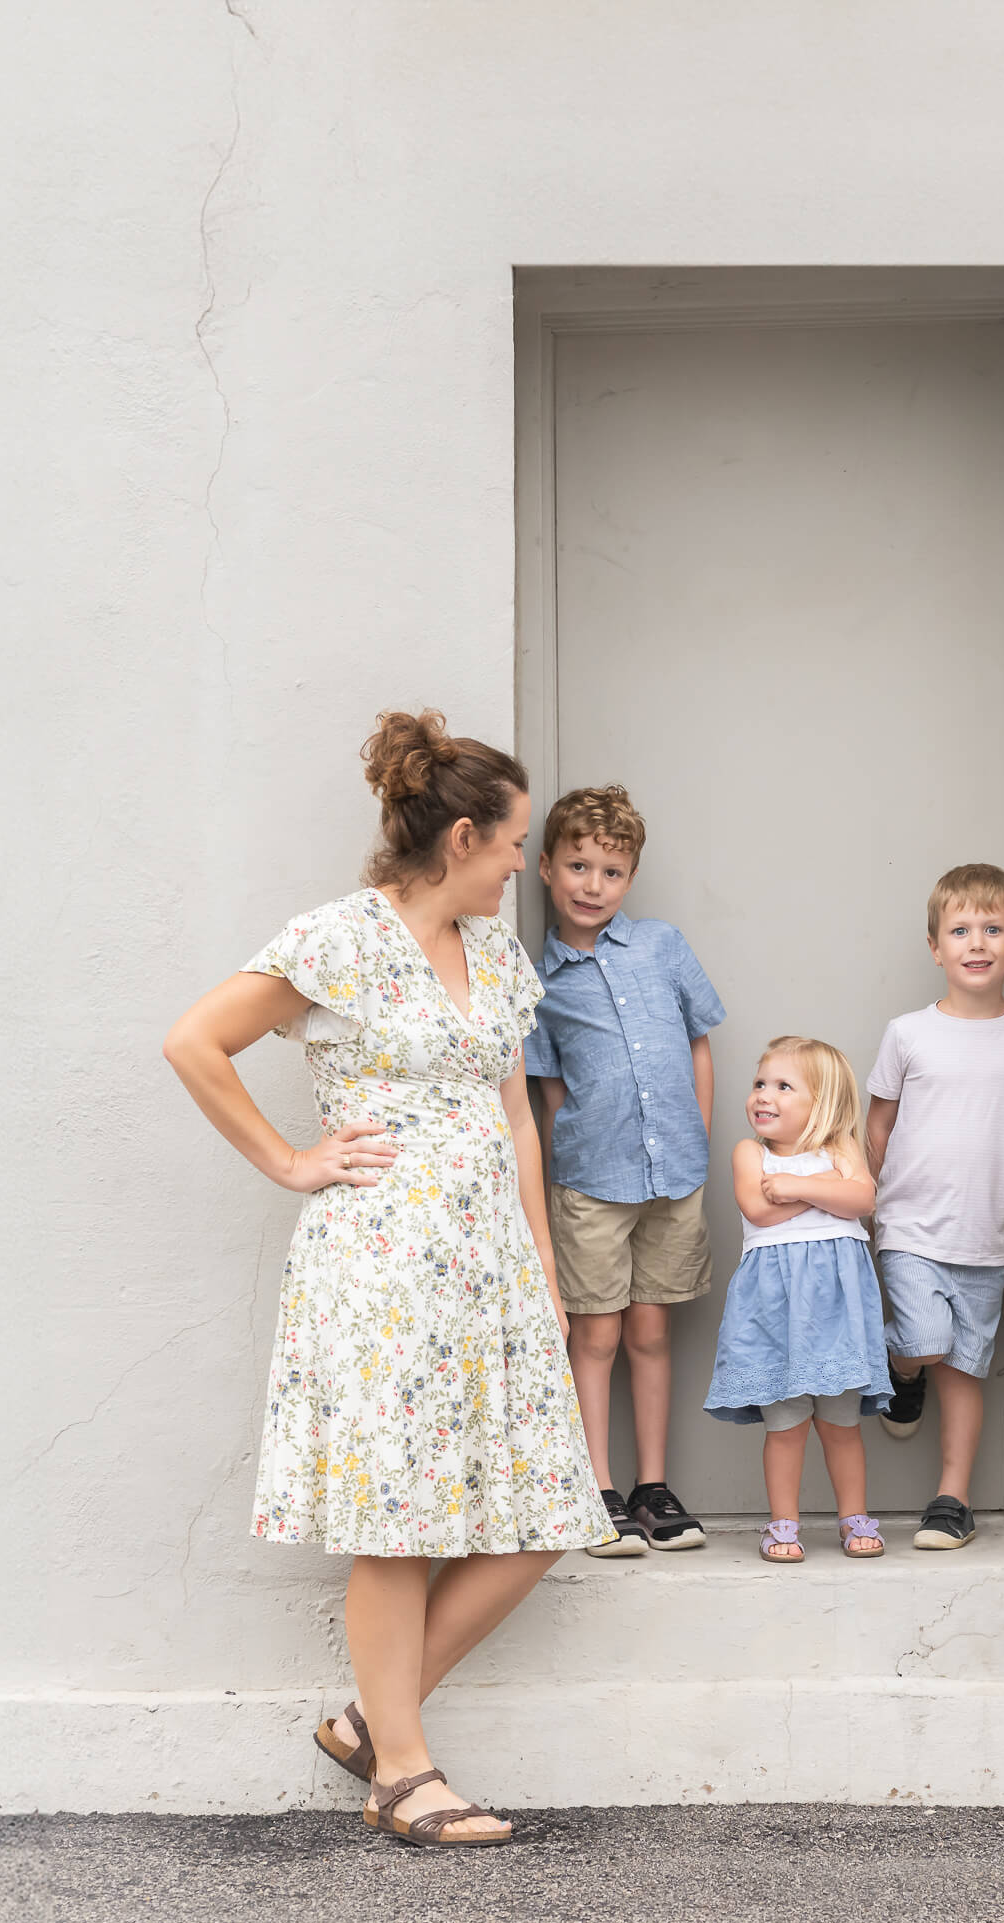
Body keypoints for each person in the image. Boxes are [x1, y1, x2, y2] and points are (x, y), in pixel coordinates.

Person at [163, 711, 613, 1850]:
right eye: (514, 845)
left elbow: (513, 1114)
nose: (525, 866)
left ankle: (373, 1720)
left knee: (545, 1508)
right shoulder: (341, 941)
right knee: (401, 1523)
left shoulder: (500, 956)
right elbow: (195, 1043)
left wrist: (543, 1269)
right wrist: (292, 1161)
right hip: (381, 1270)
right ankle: (406, 1775)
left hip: (491, 1269)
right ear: (462, 836)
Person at [526, 784, 725, 1556]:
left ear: (629, 878)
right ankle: (594, 1487)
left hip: (674, 1175)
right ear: (546, 867)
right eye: (577, 865)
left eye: (610, 871)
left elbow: (698, 1040)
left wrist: (698, 1138)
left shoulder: (662, 946)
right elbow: (547, 1090)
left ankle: (652, 1485)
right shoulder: (539, 981)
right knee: (596, 1333)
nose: (591, 885)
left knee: (650, 1328)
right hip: (591, 1182)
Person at [865, 865, 1004, 1549]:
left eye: (992, 928)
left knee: (965, 1368)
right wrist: (866, 1204)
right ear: (935, 946)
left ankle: (953, 1498)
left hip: (988, 1235)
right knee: (926, 1340)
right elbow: (879, 1125)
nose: (976, 941)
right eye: (960, 929)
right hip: (911, 1225)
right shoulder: (908, 1032)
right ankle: (899, 1365)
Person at [703, 1038, 891, 1561]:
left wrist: (796, 1187)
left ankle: (854, 1518)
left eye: (784, 1087)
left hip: (837, 1316)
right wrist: (826, 1192)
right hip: (776, 1313)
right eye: (761, 1083)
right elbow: (758, 1211)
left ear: (821, 1104)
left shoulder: (842, 1149)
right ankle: (783, 1524)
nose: (764, 1095)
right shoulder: (751, 1153)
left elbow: (865, 1198)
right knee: (785, 1428)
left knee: (841, 1425)